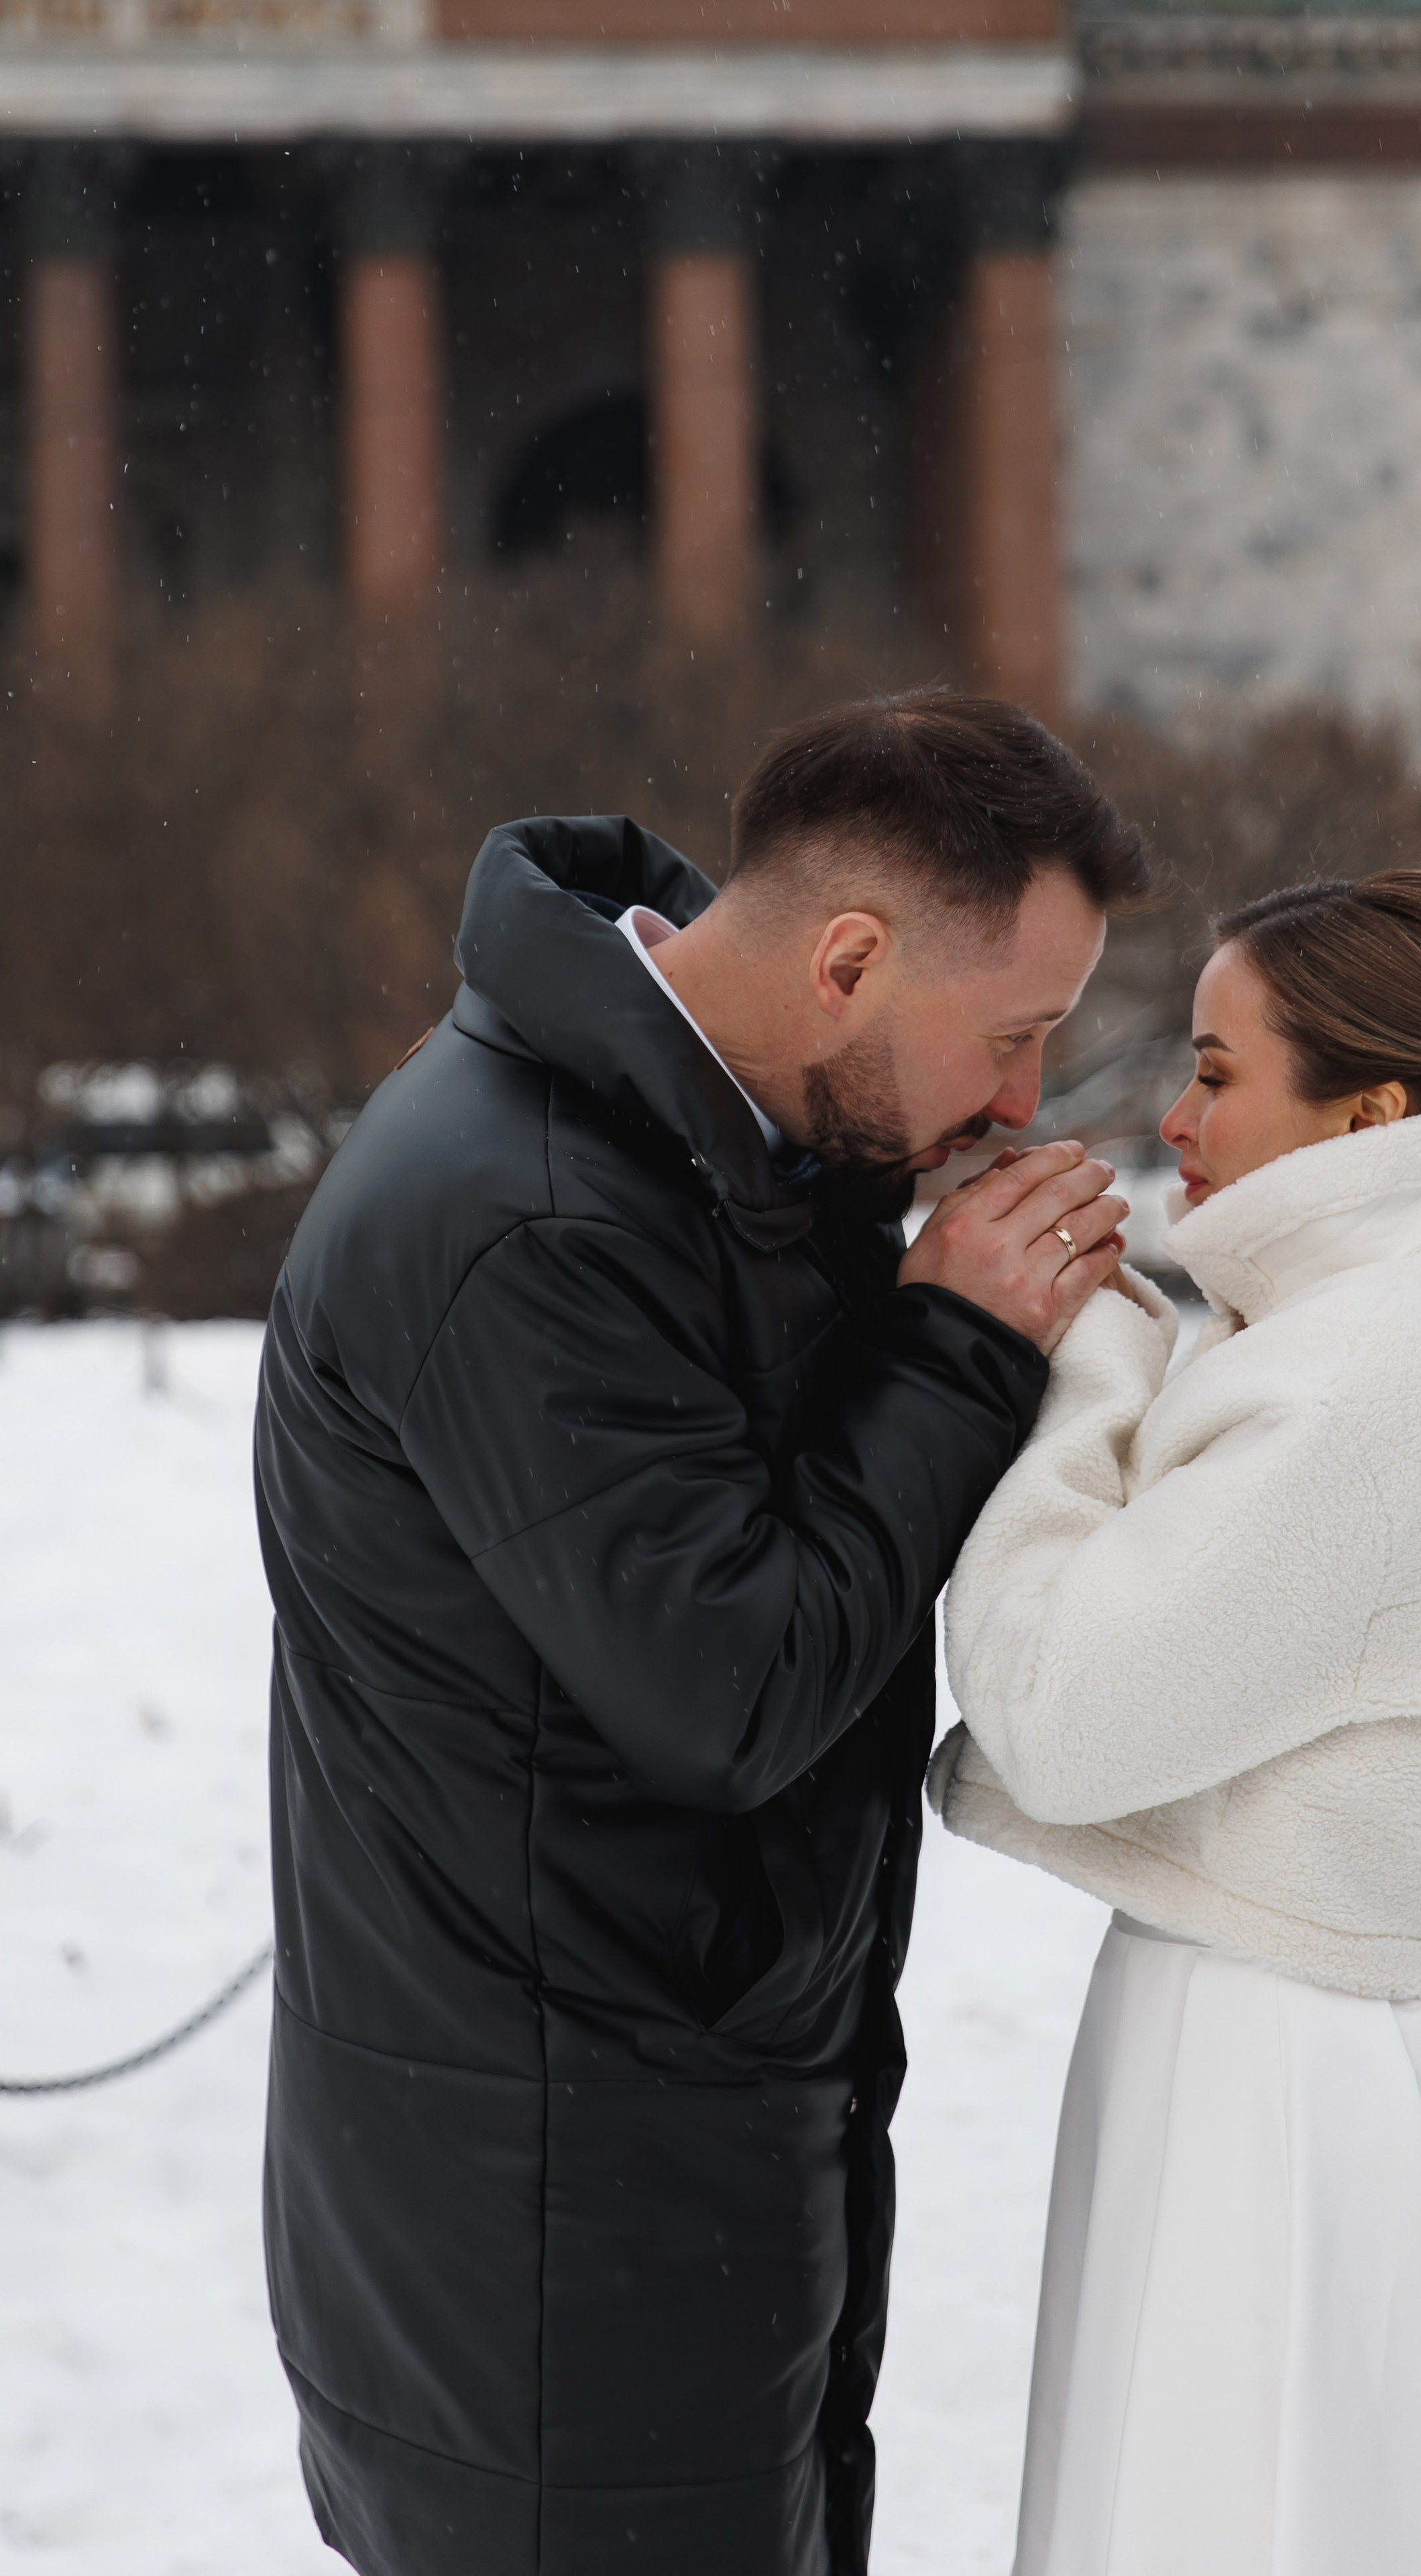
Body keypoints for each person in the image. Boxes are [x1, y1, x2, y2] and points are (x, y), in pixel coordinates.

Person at [253, 690, 1147, 2576]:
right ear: (848, 961)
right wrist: (959, 1341)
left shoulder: (715, 1152)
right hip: (547, 2248)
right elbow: (732, 1687)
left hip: (661, 2162)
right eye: (1012, 1037)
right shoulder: (529, 1217)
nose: (1021, 1105)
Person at [933, 870, 1421, 2575]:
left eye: (1215, 1071)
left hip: (1286, 2072)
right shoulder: (1355, 1332)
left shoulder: (1366, 1368)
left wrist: (1089, 1374)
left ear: (1369, 1114)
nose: (1172, 1116)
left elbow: (1061, 1720)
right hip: (1283, 2034)